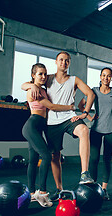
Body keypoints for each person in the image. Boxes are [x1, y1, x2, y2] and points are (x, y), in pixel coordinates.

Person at [22, 51, 95, 201]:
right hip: (51, 121)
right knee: (53, 156)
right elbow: (28, 83)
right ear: (56, 62)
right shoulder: (47, 79)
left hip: (69, 118)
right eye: (61, 60)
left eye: (67, 60)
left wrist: (85, 111)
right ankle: (58, 189)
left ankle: (84, 172)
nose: (64, 62)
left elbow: (91, 94)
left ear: (69, 63)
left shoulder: (74, 79)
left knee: (84, 129)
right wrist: (30, 85)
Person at [22, 63, 75, 207]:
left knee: (33, 159)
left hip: (38, 127)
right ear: (33, 75)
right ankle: (42, 192)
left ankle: (32, 193)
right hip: (32, 126)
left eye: (45, 74)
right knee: (46, 156)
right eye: (40, 74)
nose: (44, 77)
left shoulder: (43, 89)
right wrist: (71, 107)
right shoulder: (35, 91)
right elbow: (51, 107)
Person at [78, 67, 112, 200]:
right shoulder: (93, 92)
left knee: (107, 159)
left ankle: (104, 189)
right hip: (96, 129)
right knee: (93, 159)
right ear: (100, 77)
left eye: (109, 76)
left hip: (111, 129)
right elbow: (81, 106)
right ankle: (93, 187)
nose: (106, 78)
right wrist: (88, 117)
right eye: (104, 75)